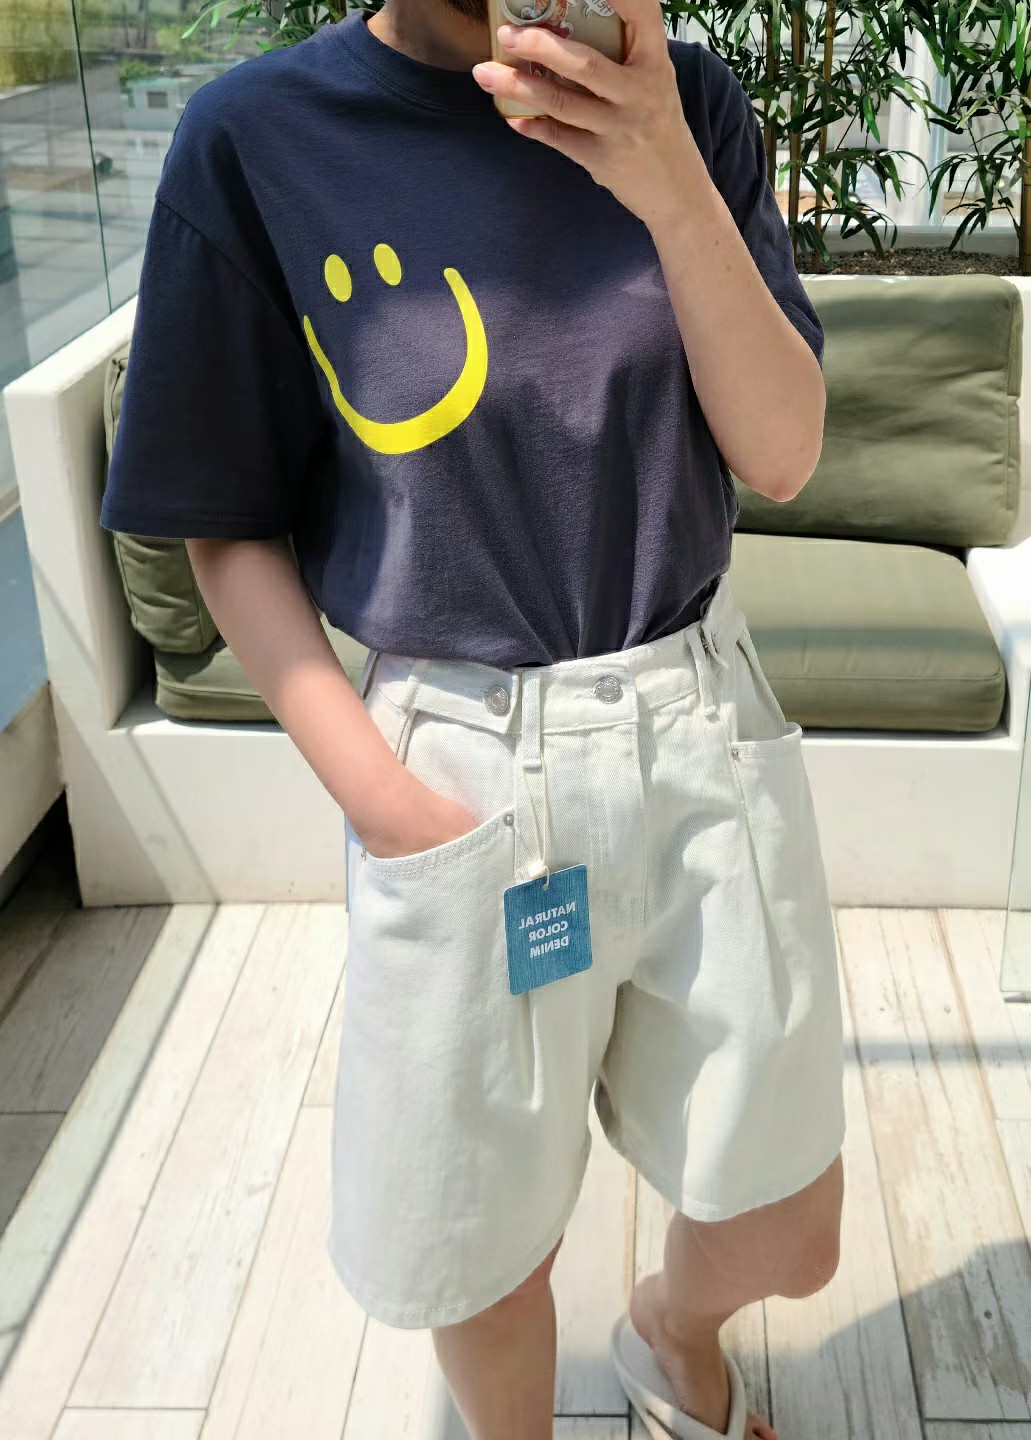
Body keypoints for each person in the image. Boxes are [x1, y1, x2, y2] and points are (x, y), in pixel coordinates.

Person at [99, 0, 847, 1436]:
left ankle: (670, 1328)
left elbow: (784, 451)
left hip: (698, 719)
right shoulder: (258, 140)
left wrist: (667, 174)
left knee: (788, 1219)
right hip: (458, 756)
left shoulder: (688, 101)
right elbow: (224, 521)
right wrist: (388, 804)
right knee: (480, 1253)